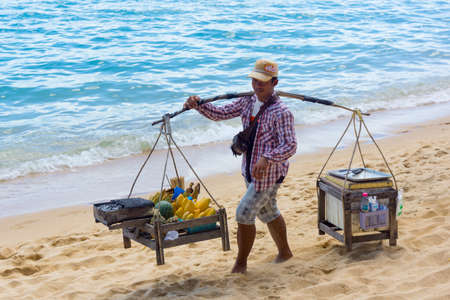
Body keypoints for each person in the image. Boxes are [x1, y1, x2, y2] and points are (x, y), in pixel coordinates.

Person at [184, 59, 297, 273]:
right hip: (249, 170)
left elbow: (290, 146)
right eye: (255, 80)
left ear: (274, 82)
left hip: (269, 173)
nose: (257, 85)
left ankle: (240, 265)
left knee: (244, 213)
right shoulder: (247, 102)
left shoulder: (281, 112)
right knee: (269, 212)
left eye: (263, 81)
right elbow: (221, 114)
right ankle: (285, 253)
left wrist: (267, 158)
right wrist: (199, 105)